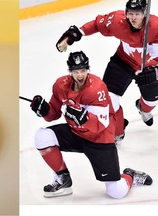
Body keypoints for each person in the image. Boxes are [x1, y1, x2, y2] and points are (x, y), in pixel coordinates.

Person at [30, 51, 152, 198]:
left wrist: (83, 117)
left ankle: (130, 175)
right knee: (42, 136)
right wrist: (44, 110)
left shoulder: (97, 88)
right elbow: (53, 114)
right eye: (76, 71)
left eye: (83, 70)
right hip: (75, 133)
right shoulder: (60, 85)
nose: (80, 75)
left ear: (87, 69)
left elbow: (101, 125)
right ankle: (63, 179)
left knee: (116, 191)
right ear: (70, 72)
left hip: (99, 139)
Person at [56, 0, 158, 144]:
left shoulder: (156, 27)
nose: (133, 18)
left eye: (137, 14)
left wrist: (154, 70)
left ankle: (143, 108)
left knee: (150, 101)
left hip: (149, 70)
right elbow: (98, 24)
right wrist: (78, 32)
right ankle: (118, 131)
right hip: (123, 62)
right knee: (109, 98)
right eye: (130, 13)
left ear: (145, 14)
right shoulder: (118, 21)